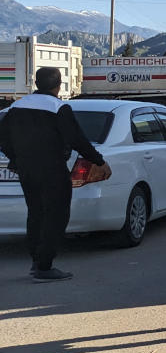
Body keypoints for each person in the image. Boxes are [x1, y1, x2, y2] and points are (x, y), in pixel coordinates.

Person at [0, 68, 113, 282]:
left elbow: (3, 138)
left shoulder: (16, 107)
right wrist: (99, 161)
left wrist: (16, 158)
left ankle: (36, 261)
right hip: (52, 169)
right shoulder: (59, 108)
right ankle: (45, 267)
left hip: (26, 170)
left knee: (35, 213)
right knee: (57, 216)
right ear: (58, 85)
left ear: (36, 83)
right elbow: (77, 139)